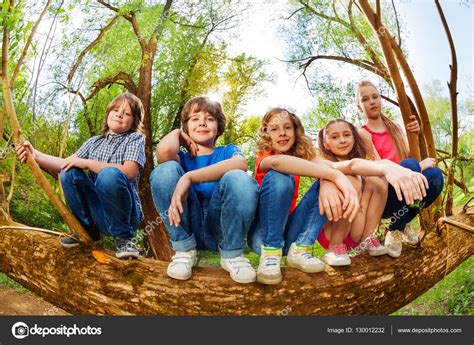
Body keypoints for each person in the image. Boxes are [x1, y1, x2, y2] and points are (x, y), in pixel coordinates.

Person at [16, 93, 146, 259]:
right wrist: (35, 155)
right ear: (108, 113)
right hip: (98, 212)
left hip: (125, 214)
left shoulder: (135, 139)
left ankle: (124, 239)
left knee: (109, 175)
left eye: (127, 113)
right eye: (116, 109)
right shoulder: (94, 142)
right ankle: (88, 230)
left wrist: (87, 163)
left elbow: (129, 172)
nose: (119, 114)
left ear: (134, 121)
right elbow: (65, 163)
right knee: (69, 171)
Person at [150, 96, 259, 284]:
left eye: (209, 118)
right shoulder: (181, 158)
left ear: (218, 126)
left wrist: (189, 177)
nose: (202, 122)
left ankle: (232, 254)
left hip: (219, 227)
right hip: (188, 225)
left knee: (239, 177)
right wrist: (177, 133)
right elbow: (163, 153)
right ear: (186, 127)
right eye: (194, 118)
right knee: (164, 170)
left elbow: (241, 164)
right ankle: (184, 251)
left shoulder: (226, 151)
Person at [249, 108, 360, 284]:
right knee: (280, 176)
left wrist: (387, 167)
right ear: (267, 134)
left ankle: (301, 249)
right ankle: (270, 254)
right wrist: (332, 176)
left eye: (287, 127)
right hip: (262, 237)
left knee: (331, 181)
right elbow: (279, 163)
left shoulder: (303, 157)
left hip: (290, 234)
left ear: (295, 130)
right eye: (275, 129)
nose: (282, 133)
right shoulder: (264, 157)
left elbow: (342, 167)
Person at [356, 80, 444, 257]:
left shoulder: (395, 128)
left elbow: (408, 156)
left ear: (380, 99)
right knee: (411, 165)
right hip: (385, 195)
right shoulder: (362, 133)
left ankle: (399, 226)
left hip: (406, 191)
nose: (372, 101)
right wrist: (418, 165)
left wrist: (416, 133)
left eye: (375, 96)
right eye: (365, 99)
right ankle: (394, 230)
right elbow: (381, 169)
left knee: (435, 176)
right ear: (359, 107)